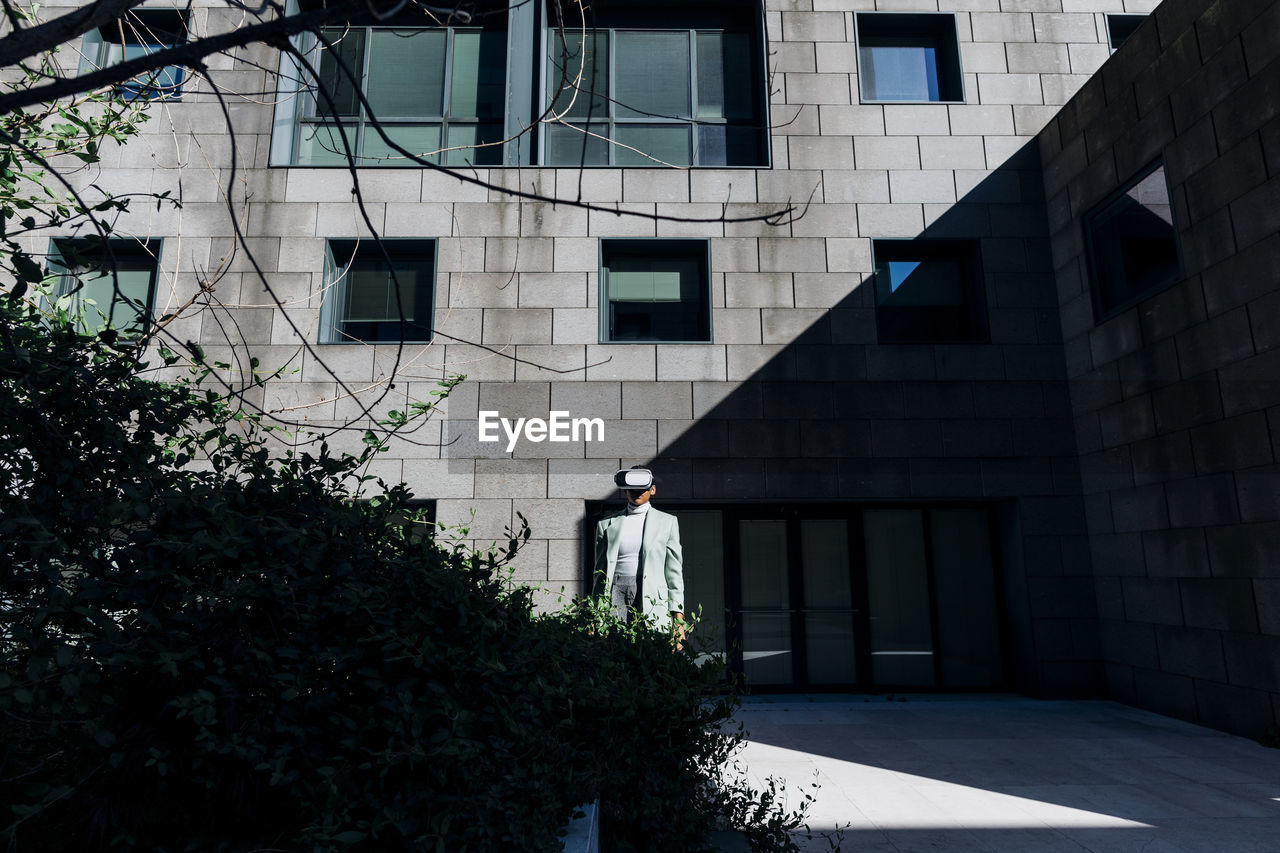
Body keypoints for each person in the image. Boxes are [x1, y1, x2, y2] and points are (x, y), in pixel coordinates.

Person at [593, 466, 686, 647]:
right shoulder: (605, 524)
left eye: (641, 487)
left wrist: (679, 622)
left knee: (650, 649)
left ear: (652, 489)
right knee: (615, 647)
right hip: (615, 592)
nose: (636, 492)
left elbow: (674, 573)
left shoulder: (668, 522)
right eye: (631, 488)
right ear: (625, 490)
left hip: (651, 594)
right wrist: (594, 614)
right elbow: (599, 574)